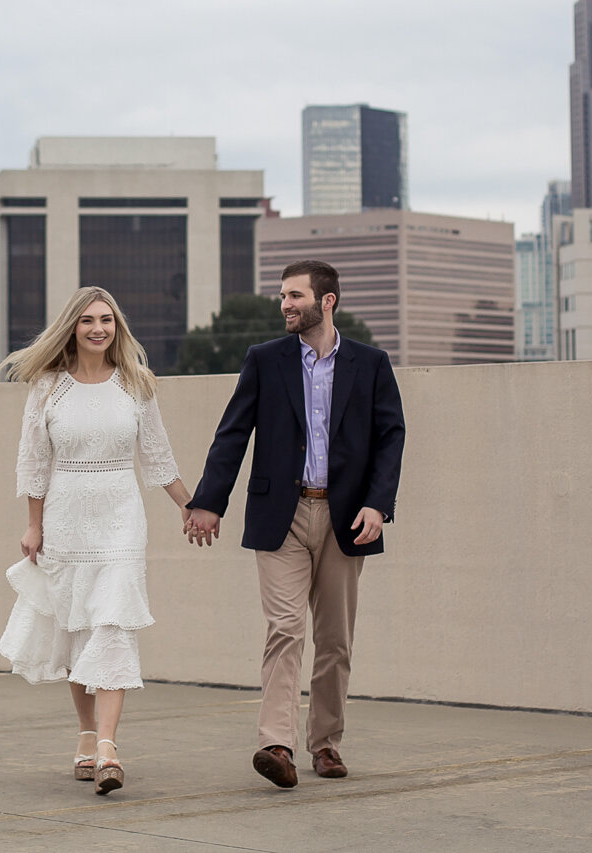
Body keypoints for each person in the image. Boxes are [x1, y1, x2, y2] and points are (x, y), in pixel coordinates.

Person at [183, 259, 406, 788]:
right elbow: (232, 433)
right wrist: (209, 501)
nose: (286, 304)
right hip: (280, 516)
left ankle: (325, 744)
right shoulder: (265, 360)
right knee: (285, 629)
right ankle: (276, 744)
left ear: (326, 301)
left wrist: (379, 504)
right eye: (282, 296)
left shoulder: (370, 363)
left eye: (295, 296)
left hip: (346, 517)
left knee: (335, 639)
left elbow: (390, 437)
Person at [0, 286, 195, 795]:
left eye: (106, 320)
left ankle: (108, 747)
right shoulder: (47, 388)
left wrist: (189, 506)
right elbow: (34, 461)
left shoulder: (137, 384)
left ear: (117, 327)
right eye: (87, 320)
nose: (98, 328)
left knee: (111, 626)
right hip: (65, 518)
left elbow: (157, 456)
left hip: (121, 520)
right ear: (73, 327)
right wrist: (33, 524)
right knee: (77, 627)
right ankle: (87, 734)